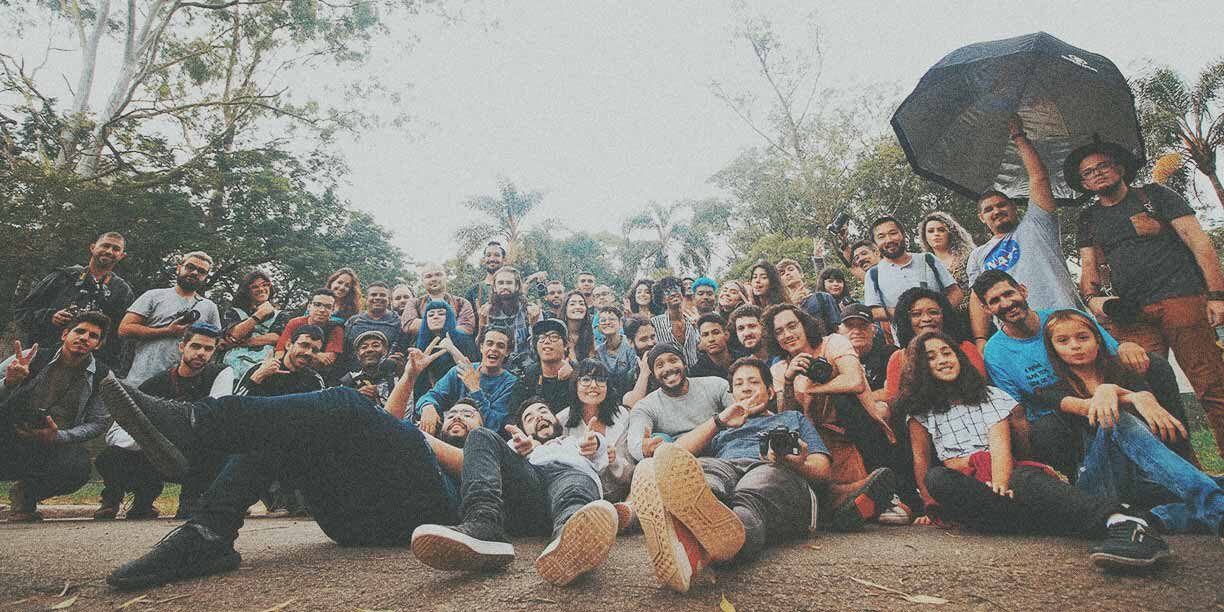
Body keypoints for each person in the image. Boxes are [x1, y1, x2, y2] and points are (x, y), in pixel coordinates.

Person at [98, 352, 460, 589]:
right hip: (355, 518)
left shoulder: (491, 447)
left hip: (431, 512)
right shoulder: (409, 440)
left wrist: (416, 435)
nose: (457, 416)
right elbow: (392, 427)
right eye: (452, 412)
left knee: (346, 402)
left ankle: (197, 424)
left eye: (467, 414)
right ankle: (208, 533)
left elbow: (462, 460)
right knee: (293, 427)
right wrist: (410, 377)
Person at [899, 331, 1172, 568]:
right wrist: (929, 505)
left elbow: (1000, 445)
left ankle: (1122, 521)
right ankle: (1047, 514)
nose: (942, 360)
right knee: (937, 478)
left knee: (1023, 479)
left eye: (947, 352)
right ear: (922, 369)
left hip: (1002, 477)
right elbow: (921, 458)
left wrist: (1001, 482)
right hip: (977, 494)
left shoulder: (988, 395)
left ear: (959, 355)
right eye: (931, 358)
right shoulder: (922, 413)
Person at [632, 358, 894, 593]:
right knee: (707, 474)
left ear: (770, 392)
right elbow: (675, 455)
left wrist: (794, 462)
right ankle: (694, 536)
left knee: (754, 491)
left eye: (753, 382)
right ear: (731, 395)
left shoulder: (792, 418)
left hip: (776, 471)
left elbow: (821, 470)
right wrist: (719, 422)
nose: (746, 388)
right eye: (738, 384)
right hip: (726, 465)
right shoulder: (721, 429)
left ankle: (721, 543)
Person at [1071, 139, 1224, 460]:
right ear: (1083, 183)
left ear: (1121, 168)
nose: (1097, 174)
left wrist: (1217, 296)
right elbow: (1089, 268)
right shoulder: (1088, 218)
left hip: (1181, 299)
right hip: (1131, 315)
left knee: (1211, 387)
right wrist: (1093, 300)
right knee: (1144, 390)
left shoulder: (1155, 196)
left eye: (1103, 166)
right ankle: (1187, 476)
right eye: (1088, 172)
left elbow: (1199, 244)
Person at [1036, 310, 1224, 541]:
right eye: (1063, 341)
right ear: (1053, 348)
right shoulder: (1051, 390)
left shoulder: (1123, 372)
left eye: (1082, 337)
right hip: (1097, 484)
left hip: (1143, 479)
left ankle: (1148, 519)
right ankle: (1218, 510)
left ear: (1098, 339)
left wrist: (1130, 393)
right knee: (1114, 420)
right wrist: (1117, 392)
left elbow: (1150, 403)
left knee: (1212, 485)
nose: (1075, 346)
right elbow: (1088, 407)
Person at [410, 398, 618, 587]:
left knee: (572, 491)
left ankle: (570, 539)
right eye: (529, 417)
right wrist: (518, 450)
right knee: (480, 435)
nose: (538, 417)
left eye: (543, 412)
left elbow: (600, 453)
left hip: (569, 477)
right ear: (523, 429)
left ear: (556, 419)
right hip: (530, 489)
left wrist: (596, 443)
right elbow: (498, 460)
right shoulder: (518, 446)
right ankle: (484, 526)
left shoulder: (575, 441)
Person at [973, 270, 1151, 476]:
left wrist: (1127, 345)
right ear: (986, 309)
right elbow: (1017, 412)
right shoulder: (996, 353)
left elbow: (1112, 354)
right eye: (995, 301)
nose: (1005, 304)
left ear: (1023, 290)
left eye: (1009, 294)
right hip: (1057, 420)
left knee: (1153, 365)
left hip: (1099, 396)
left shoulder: (1064, 318)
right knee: (1045, 429)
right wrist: (1031, 463)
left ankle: (1175, 443)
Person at [967, 115, 1082, 351]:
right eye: (989, 210)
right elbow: (978, 301)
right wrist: (980, 340)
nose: (996, 211)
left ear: (1013, 207)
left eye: (1002, 205)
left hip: (1064, 320)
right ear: (982, 218)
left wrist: (1018, 136)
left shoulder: (1037, 224)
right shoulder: (978, 255)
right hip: (1018, 335)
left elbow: (1039, 177)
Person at [96, 323, 233, 521]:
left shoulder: (220, 374)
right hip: (160, 454)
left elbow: (216, 418)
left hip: (197, 454)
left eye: (208, 348)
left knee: (213, 441)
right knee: (110, 456)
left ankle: (191, 501)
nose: (201, 353)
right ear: (182, 346)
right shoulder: (156, 383)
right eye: (195, 346)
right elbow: (116, 431)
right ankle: (125, 499)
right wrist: (149, 440)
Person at [0, 312, 111, 522]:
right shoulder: (30, 357)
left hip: (54, 443)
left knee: (78, 467)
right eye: (79, 331)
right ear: (65, 334)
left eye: (93, 336)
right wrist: (9, 383)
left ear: (98, 344)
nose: (84, 338)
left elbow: (98, 423)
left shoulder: (102, 376)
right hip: (9, 433)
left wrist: (60, 436)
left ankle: (26, 495)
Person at [15, 231, 134, 369]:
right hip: (44, 359)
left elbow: (121, 338)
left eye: (116, 249)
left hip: (90, 367)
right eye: (105, 245)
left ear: (122, 256)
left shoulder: (122, 292)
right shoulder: (63, 277)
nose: (109, 251)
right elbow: (21, 313)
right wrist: (50, 317)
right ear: (93, 247)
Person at [119, 252, 222, 386]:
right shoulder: (153, 296)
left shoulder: (209, 307)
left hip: (183, 386)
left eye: (201, 271)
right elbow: (124, 329)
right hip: (143, 378)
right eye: (190, 267)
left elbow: (216, 343)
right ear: (179, 268)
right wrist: (167, 331)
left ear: (206, 277)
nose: (195, 273)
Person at [626, 344, 733, 463]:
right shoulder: (646, 407)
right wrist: (644, 449)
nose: (667, 368)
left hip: (722, 453)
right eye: (659, 365)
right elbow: (635, 442)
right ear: (654, 375)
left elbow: (738, 413)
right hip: (679, 462)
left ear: (684, 364)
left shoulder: (715, 385)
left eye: (673, 360)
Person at [883, 287, 984, 402]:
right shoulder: (898, 359)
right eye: (916, 314)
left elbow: (979, 390)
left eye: (933, 312)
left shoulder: (965, 348)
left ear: (944, 316)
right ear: (906, 320)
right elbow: (895, 404)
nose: (926, 319)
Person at [415, 326, 518, 435]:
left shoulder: (510, 383)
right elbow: (430, 396)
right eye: (489, 343)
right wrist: (427, 406)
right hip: (452, 432)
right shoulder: (460, 371)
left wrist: (475, 389)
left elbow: (493, 425)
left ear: (507, 352)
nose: (493, 349)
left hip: (482, 439)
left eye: (500, 346)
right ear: (481, 347)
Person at [557, 359, 635, 501]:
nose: (593, 386)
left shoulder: (621, 415)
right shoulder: (562, 420)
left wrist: (614, 460)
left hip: (624, 493)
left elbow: (632, 472)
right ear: (575, 385)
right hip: (581, 495)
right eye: (585, 380)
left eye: (600, 380)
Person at [863, 217, 962, 323]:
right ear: (875, 244)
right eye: (881, 237)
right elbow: (873, 311)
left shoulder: (927, 259)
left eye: (893, 233)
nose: (889, 240)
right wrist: (909, 315)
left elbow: (956, 292)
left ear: (903, 234)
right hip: (906, 338)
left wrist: (938, 313)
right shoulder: (874, 274)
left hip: (944, 334)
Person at [220, 269, 290, 384]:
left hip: (264, 362)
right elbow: (235, 334)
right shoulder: (234, 312)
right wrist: (259, 314)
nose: (261, 289)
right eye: (255, 287)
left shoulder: (281, 315)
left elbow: (277, 337)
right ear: (247, 291)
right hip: (234, 362)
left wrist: (244, 342)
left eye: (265, 285)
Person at [508, 319, 576, 420]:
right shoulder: (527, 377)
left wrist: (568, 380)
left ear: (566, 345)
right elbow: (513, 415)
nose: (547, 341)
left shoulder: (578, 375)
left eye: (554, 337)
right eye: (541, 337)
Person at [479, 267, 541, 376]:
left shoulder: (530, 310)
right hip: (496, 365)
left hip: (526, 366)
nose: (504, 287)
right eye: (500, 283)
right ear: (494, 287)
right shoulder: (487, 311)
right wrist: (482, 323)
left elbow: (538, 348)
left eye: (509, 283)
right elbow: (480, 346)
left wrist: (534, 324)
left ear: (517, 286)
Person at [274, 288, 344, 384]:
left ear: (332, 310)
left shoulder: (336, 329)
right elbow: (280, 350)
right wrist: (317, 354)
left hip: (315, 374)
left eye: (328, 307)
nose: (322, 310)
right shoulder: (295, 322)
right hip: (287, 368)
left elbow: (327, 359)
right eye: (317, 305)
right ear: (309, 306)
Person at [412, 299, 479, 398]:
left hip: (462, 392)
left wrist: (452, 349)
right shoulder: (421, 342)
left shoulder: (463, 338)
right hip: (434, 394)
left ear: (449, 317)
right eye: (430, 315)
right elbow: (419, 381)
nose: (435, 317)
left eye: (441, 314)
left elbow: (473, 370)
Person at [237, 326, 326, 397]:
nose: (308, 353)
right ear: (288, 345)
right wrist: (258, 376)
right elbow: (234, 405)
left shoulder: (314, 380)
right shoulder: (261, 369)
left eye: (315, 350)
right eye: (304, 345)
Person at [918, 212, 976, 311]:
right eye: (931, 231)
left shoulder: (969, 257)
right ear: (925, 237)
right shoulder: (924, 265)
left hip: (975, 311)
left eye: (941, 230)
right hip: (947, 318)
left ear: (950, 233)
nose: (936, 234)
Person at [344, 281, 408, 371]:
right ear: (366, 299)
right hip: (356, 375)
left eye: (382, 295)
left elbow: (403, 349)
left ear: (389, 300)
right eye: (374, 295)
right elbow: (346, 351)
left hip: (388, 374)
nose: (378, 298)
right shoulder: (353, 321)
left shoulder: (399, 322)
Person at [404, 262, 477, 337]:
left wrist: (430, 324)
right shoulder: (414, 303)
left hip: (454, 347)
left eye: (438, 275)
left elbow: (467, 328)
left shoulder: (462, 303)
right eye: (428, 276)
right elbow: (410, 325)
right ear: (422, 281)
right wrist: (449, 325)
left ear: (446, 277)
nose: (434, 279)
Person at [839, 304, 896, 395]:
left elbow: (894, 392)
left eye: (863, 325)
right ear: (840, 331)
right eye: (850, 326)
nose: (857, 331)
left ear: (874, 330)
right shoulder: (834, 358)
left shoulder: (890, 355)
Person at [778, 257, 841, 333]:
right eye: (782, 273)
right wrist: (792, 303)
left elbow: (837, 327)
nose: (787, 273)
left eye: (791, 269)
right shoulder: (781, 308)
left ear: (801, 274)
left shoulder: (822, 297)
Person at [338, 331, 398, 407]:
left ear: (385, 351)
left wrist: (377, 400)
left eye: (375, 346)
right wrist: (356, 398)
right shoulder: (348, 381)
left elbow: (405, 414)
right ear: (358, 355)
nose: (369, 350)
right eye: (364, 347)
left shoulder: (397, 381)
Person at [650, 276, 699, 365]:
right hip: (671, 374)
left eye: (676, 289)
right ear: (662, 299)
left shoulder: (693, 321)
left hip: (696, 372)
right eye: (667, 292)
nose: (673, 293)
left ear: (682, 293)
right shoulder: (654, 324)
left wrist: (698, 326)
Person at [595, 305, 636, 392]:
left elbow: (634, 373)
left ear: (620, 323)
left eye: (612, 319)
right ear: (598, 327)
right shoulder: (598, 351)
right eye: (603, 320)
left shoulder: (630, 344)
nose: (607, 322)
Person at [621, 316, 659, 407]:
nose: (650, 343)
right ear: (630, 342)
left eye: (653, 337)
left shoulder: (671, 362)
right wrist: (644, 374)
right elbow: (631, 406)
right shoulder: (631, 376)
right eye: (643, 339)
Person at [689, 313, 733, 380]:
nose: (711, 339)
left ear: (726, 335)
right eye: (705, 335)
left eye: (716, 333)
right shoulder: (697, 373)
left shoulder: (742, 358)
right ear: (701, 339)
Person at [466, 241, 507, 311]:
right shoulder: (473, 290)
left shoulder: (512, 288)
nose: (492, 259)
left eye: (497, 255)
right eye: (488, 255)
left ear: (504, 259)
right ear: (484, 260)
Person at [562, 291, 597, 361]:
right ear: (565, 309)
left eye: (581, 304)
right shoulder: (558, 334)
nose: (578, 307)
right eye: (572, 304)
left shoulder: (589, 334)